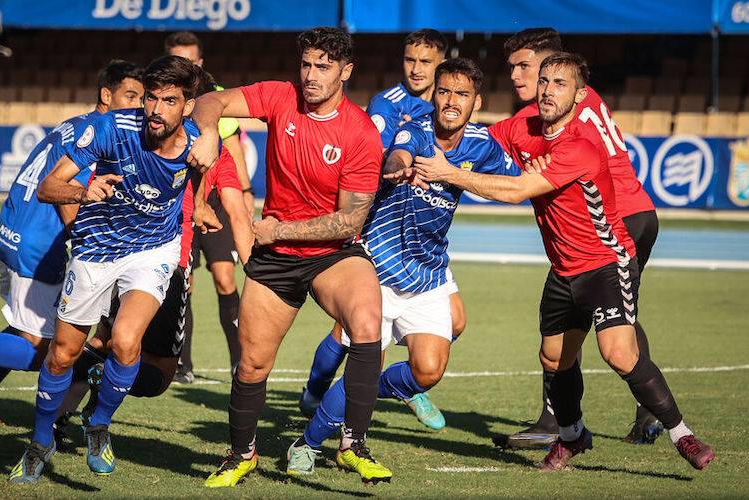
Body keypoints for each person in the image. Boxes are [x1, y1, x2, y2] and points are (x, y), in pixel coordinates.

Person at [426, 52, 714, 471]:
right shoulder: (523, 128)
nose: (547, 90)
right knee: (553, 358)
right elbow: (482, 137)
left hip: (605, 262)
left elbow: (515, 191)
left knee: (619, 353)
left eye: (560, 84)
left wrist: (447, 173)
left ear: (580, 96)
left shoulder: (581, 146)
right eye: (543, 81)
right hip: (563, 270)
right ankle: (573, 436)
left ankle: (683, 436)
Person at [286, 58, 516, 477]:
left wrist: (459, 177)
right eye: (444, 92)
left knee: (427, 371)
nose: (451, 101)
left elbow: (516, 184)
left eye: (462, 95)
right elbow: (399, 152)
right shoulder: (418, 129)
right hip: (378, 267)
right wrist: (398, 169)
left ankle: (357, 395)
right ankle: (309, 441)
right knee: (362, 356)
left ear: (476, 102)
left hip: (428, 272)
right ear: (434, 95)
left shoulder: (482, 146)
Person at [188, 27, 385, 487]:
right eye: (307, 65)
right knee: (253, 363)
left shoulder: (359, 133)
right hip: (276, 256)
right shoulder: (281, 97)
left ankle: (351, 444)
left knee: (367, 321)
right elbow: (209, 101)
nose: (311, 75)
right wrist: (210, 134)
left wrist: (280, 229)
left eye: (323, 67)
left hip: (332, 253)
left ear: (346, 72)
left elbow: (348, 222)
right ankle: (242, 454)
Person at [6, 55, 214, 483]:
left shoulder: (200, 141)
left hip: (153, 250)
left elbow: (201, 173)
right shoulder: (109, 129)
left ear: (188, 105)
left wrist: (204, 203)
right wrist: (83, 191)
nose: (156, 110)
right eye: (151, 99)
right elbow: (49, 187)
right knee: (62, 354)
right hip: (96, 249)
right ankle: (40, 441)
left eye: (169, 101)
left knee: (124, 340)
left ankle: (97, 424)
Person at [0, 60, 144, 423]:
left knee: (28, 328)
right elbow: (70, 197)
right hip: (36, 246)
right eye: (131, 95)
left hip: (8, 231)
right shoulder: (99, 131)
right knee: (46, 351)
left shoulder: (73, 124)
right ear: (106, 94)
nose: (137, 105)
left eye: (141, 98)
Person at [53, 70, 254, 441]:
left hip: (110, 252)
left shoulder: (134, 135)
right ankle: (95, 402)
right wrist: (255, 272)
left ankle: (61, 416)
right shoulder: (210, 149)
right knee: (158, 373)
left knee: (106, 339)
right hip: (165, 263)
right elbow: (238, 210)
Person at [488, 27, 664, 449]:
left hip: (613, 218)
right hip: (631, 213)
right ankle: (646, 410)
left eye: (524, 66)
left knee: (579, 316)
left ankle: (559, 422)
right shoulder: (579, 99)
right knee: (615, 316)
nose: (515, 76)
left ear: (552, 64)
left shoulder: (565, 112)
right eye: (511, 67)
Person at [298, 28, 463, 432]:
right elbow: (378, 158)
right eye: (410, 60)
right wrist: (399, 165)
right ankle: (317, 387)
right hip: (382, 231)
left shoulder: (449, 107)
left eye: (426, 62)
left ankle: (406, 385)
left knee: (454, 322)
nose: (416, 68)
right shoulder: (387, 104)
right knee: (353, 329)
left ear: (442, 65)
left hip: (423, 244)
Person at [165, 31, 255, 381]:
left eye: (190, 60)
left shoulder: (218, 98)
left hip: (215, 198)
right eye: (178, 59)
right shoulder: (164, 99)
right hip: (179, 199)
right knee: (182, 282)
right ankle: (180, 363)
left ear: (200, 63)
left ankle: (239, 360)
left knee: (224, 277)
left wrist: (245, 193)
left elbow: (230, 148)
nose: (185, 66)